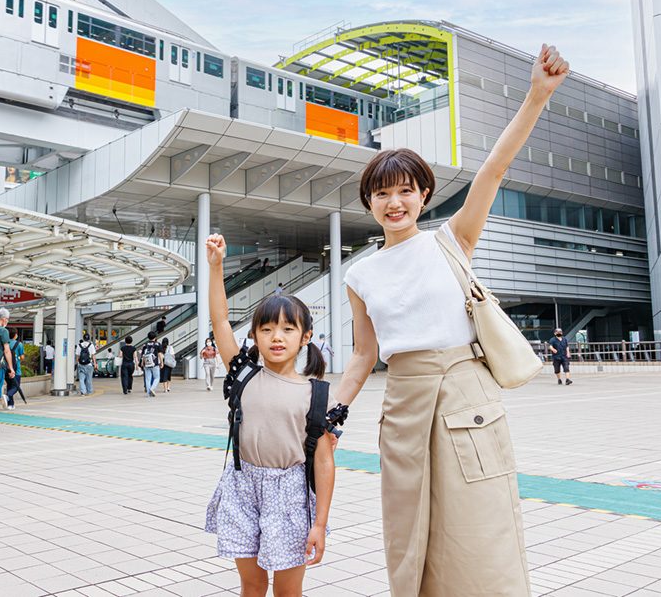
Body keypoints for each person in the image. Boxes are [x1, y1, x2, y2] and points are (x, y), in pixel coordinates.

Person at [335, 44, 568, 596]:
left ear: (424, 195)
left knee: (481, 532)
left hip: (467, 395)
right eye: (383, 193)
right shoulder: (360, 276)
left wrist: (537, 95)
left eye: (406, 191)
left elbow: (495, 167)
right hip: (404, 404)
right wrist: (332, 415)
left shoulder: (451, 240)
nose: (395, 203)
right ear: (369, 201)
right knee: (409, 533)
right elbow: (365, 355)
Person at [204, 233, 336, 596]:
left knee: (288, 590)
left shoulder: (316, 393)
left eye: (288, 329)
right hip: (242, 486)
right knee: (252, 583)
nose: (277, 337)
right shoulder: (244, 374)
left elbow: (323, 462)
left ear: (305, 336)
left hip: (290, 493)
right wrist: (216, 268)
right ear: (255, 337)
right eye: (267, 329)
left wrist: (320, 524)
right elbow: (219, 321)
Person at [5, 328, 27, 408]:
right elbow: (22, 357)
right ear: (15, 335)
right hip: (16, 369)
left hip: (6, 369)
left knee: (9, 386)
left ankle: (10, 405)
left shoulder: (5, 343)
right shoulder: (19, 344)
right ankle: (8, 395)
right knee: (16, 387)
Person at [140, 331, 162, 397]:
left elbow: (143, 355)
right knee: (157, 378)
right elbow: (159, 354)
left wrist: (142, 362)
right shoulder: (158, 344)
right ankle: (152, 389)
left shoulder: (145, 345)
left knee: (148, 379)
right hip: (155, 364)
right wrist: (162, 362)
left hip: (146, 364)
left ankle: (148, 393)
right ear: (155, 337)